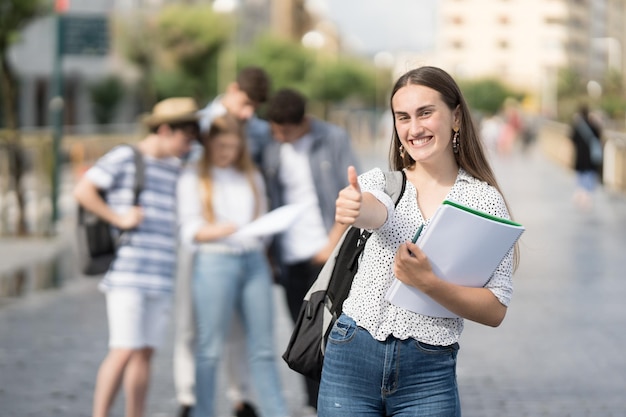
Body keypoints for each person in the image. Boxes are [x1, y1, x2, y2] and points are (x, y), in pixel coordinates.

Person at [318, 66, 519, 416]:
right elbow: (375, 209)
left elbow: (495, 309)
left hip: (428, 373)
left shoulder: (485, 202)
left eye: (425, 113)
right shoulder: (381, 182)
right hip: (352, 354)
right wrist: (355, 206)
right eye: (403, 117)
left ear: (456, 117)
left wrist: (429, 284)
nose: (414, 129)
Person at [73, 97, 200, 417]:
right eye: (185, 138)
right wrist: (118, 218)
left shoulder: (177, 169)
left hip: (161, 273)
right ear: (165, 130)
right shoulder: (125, 157)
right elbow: (83, 190)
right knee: (123, 349)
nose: (188, 146)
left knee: (144, 352)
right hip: (127, 274)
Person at [174, 66, 272, 417]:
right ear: (231, 90)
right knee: (191, 321)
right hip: (199, 234)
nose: (248, 114)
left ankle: (240, 397)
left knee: (238, 327)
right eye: (245, 103)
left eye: (254, 108)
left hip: (240, 240)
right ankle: (188, 397)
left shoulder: (257, 130)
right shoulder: (196, 124)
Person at [261, 88, 361, 414]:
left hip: (328, 255)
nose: (279, 136)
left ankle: (338, 403)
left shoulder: (332, 138)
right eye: (274, 130)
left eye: (285, 130)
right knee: (302, 335)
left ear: (304, 122)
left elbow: (353, 192)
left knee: (335, 334)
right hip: (291, 257)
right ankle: (312, 405)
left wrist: (331, 244)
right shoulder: (272, 145)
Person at [570, 104, 603, 210]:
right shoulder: (593, 125)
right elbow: (599, 135)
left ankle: (581, 192)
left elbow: (572, 139)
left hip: (580, 155)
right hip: (590, 156)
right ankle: (587, 194)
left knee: (581, 174)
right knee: (589, 173)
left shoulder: (577, 125)